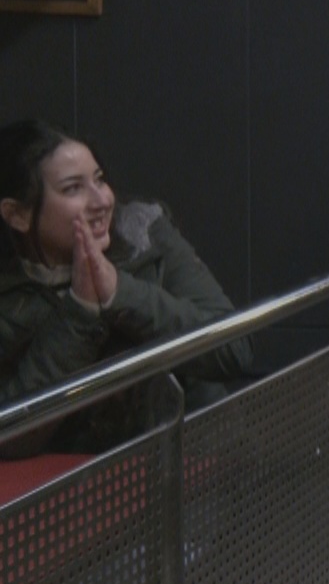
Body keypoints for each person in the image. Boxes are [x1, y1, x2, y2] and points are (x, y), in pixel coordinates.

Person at [0, 120, 250, 455]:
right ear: (17, 215)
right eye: (73, 188)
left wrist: (120, 292)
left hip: (202, 457)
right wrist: (80, 311)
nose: (102, 200)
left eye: (99, 179)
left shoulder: (143, 234)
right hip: (88, 477)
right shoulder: (11, 295)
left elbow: (234, 348)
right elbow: (10, 434)